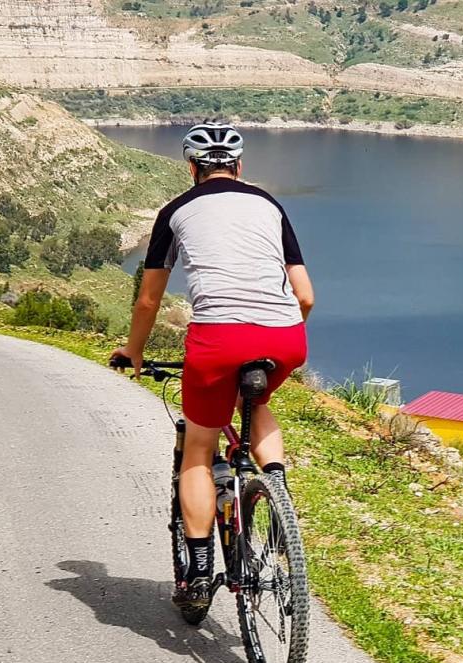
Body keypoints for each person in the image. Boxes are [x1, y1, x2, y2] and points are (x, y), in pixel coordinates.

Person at [110, 122, 314, 610]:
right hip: (286, 336)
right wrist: (279, 331)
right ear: (240, 168)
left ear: (192, 168)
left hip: (217, 339)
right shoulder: (269, 204)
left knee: (199, 449)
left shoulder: (176, 210)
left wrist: (133, 352)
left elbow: (148, 300)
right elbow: (305, 294)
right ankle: (275, 491)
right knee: (258, 398)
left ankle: (200, 576)